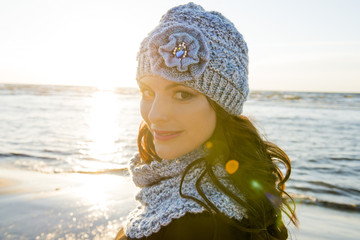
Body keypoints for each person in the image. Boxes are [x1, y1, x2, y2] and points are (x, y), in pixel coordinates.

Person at [116, 2, 297, 240]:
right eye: (148, 91)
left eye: (182, 94)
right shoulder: (232, 190)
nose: (155, 114)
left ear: (222, 106)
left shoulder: (197, 224)